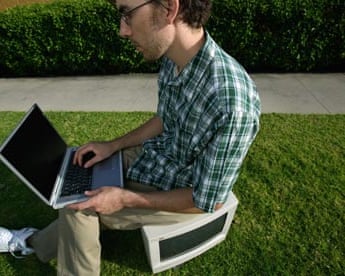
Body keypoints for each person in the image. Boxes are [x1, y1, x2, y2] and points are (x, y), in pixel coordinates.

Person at [0, 0, 261, 274]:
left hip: (180, 194)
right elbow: (165, 119)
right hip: (158, 158)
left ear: (169, 9)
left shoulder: (232, 104)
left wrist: (124, 199)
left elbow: (207, 200)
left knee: (77, 206)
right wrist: (112, 146)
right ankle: (32, 242)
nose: (122, 30)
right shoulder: (175, 61)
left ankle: (31, 243)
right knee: (82, 169)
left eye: (127, 13)